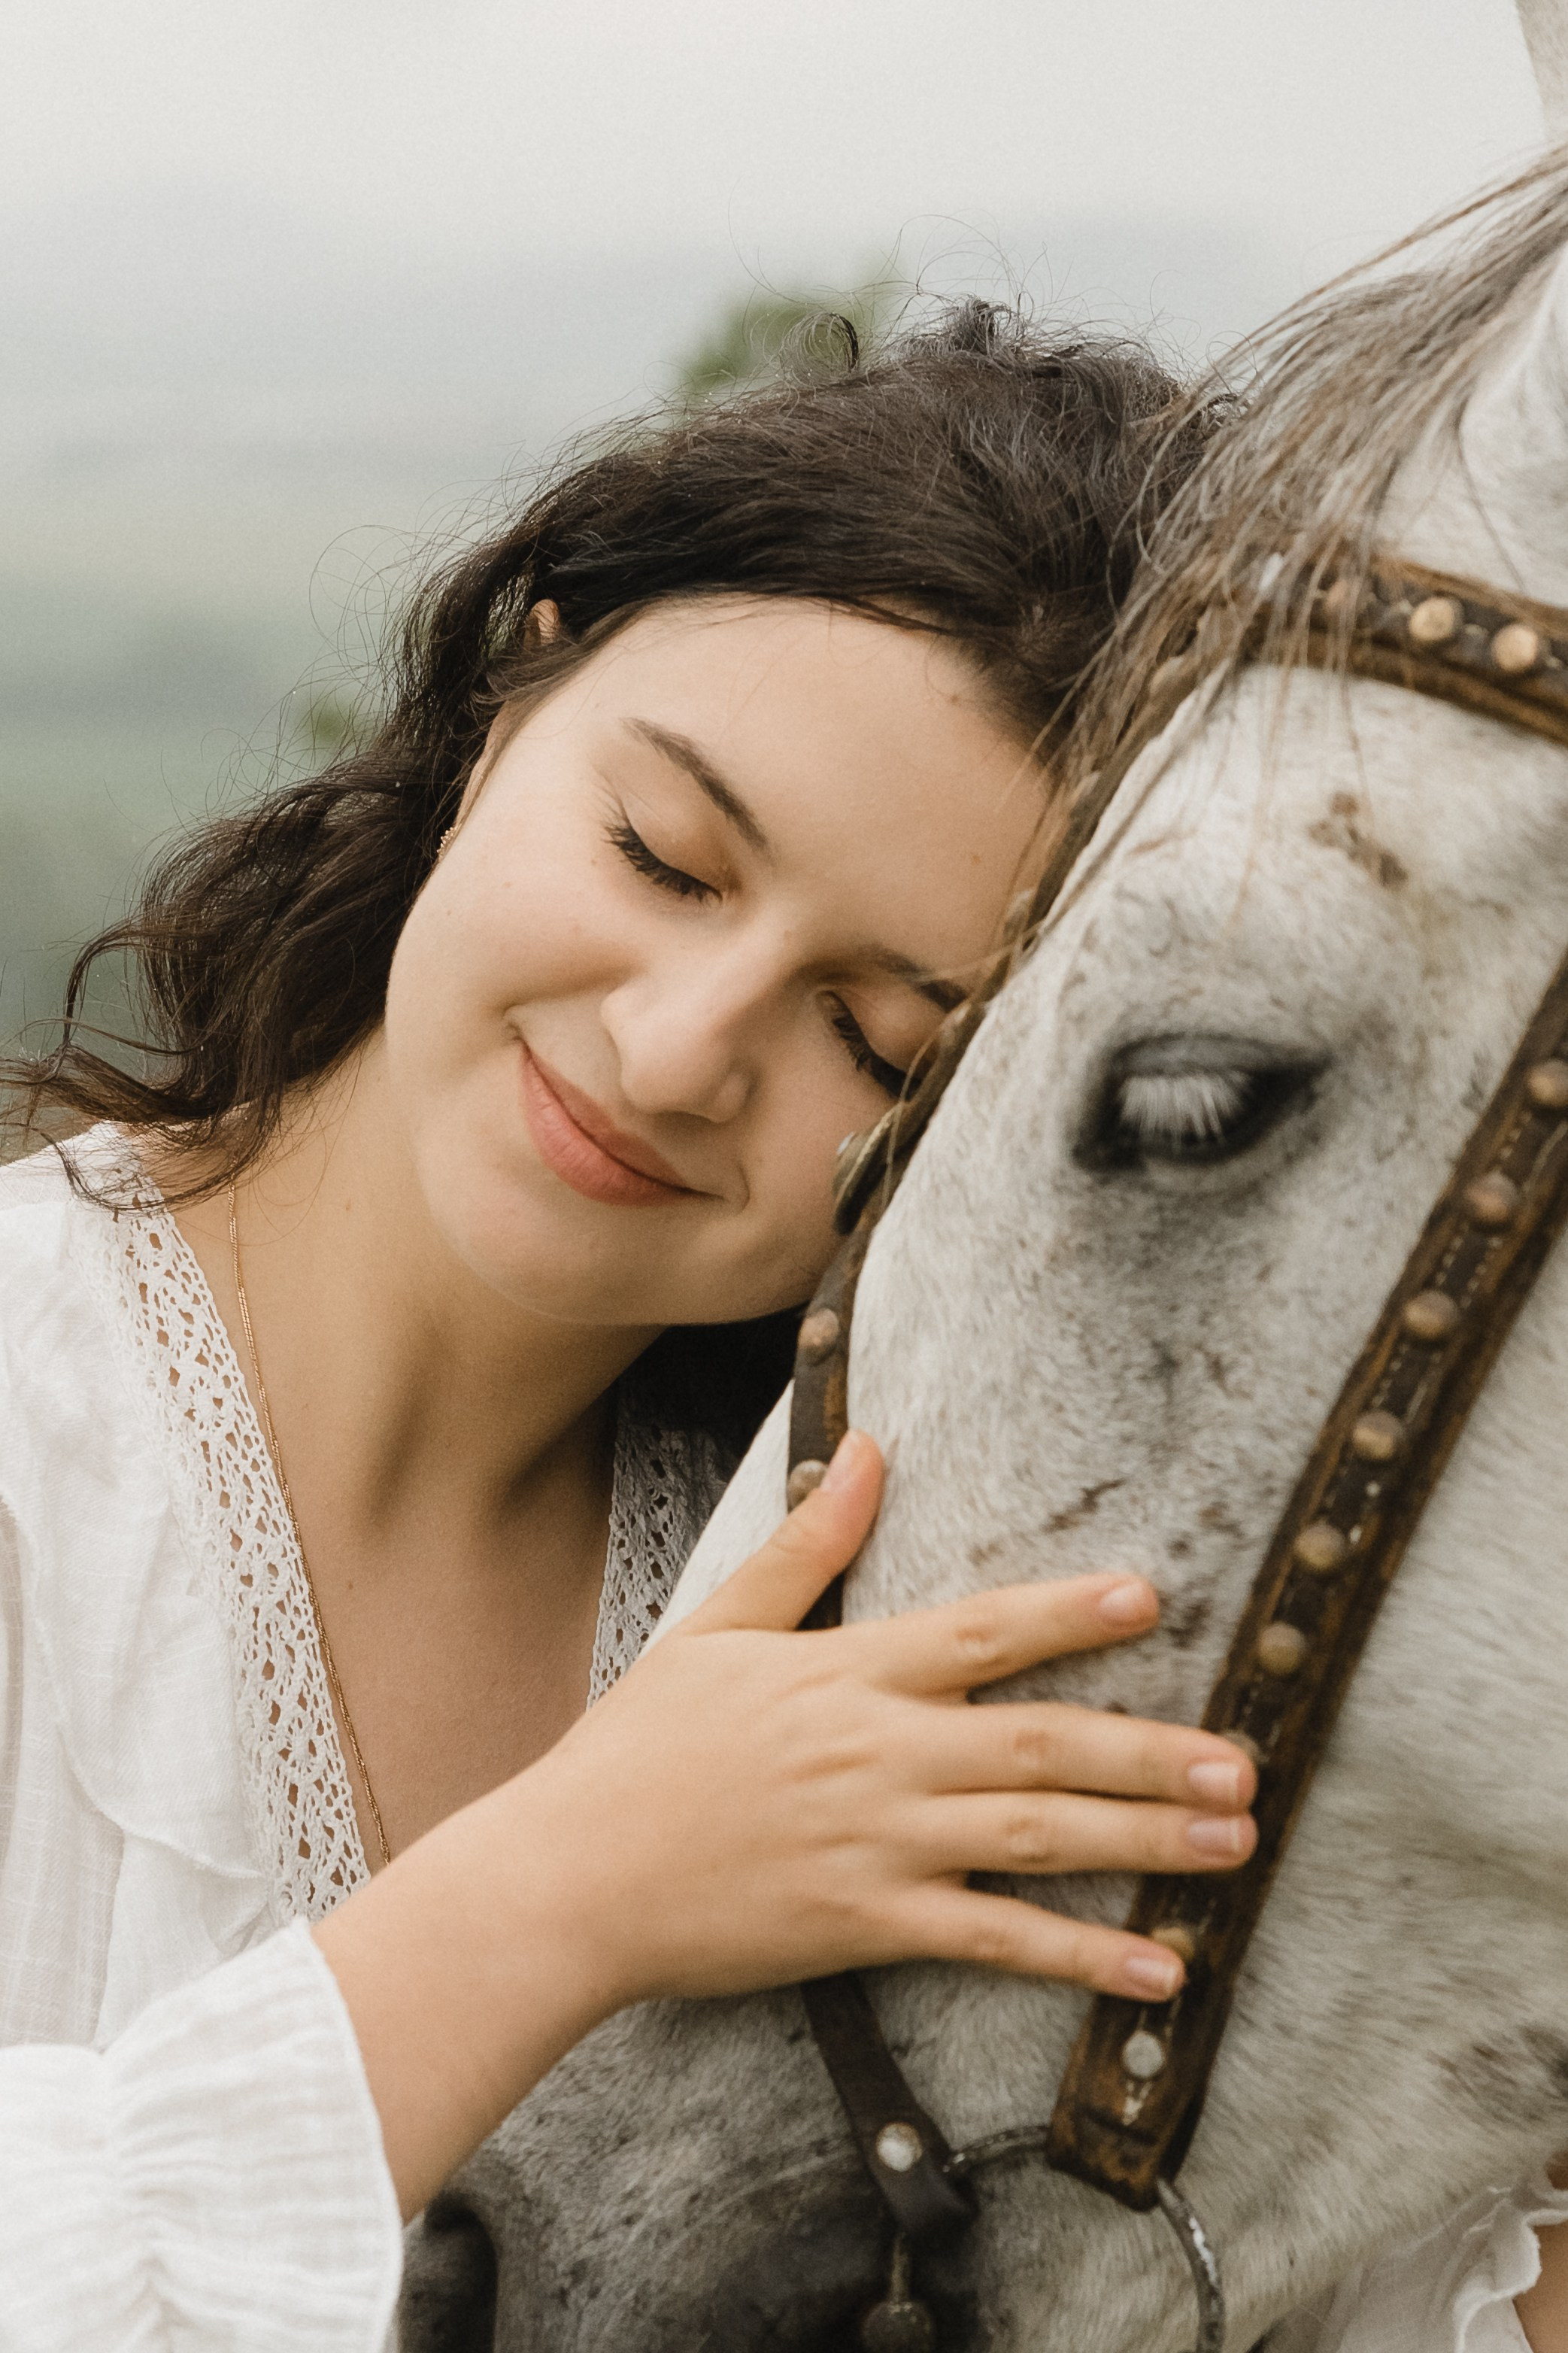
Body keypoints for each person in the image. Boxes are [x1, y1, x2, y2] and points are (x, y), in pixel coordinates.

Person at [0, 305, 1258, 2347]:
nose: (681, 1054)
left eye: (874, 1034)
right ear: (517, 693)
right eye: (664, 856)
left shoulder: (868, 1580)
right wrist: (568, 1890)